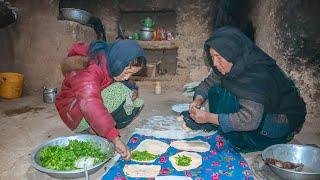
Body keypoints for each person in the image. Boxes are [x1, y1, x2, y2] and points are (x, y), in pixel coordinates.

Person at [186, 26, 306, 152]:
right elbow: (207, 84)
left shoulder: (256, 74)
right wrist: (198, 100)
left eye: (219, 57)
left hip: (275, 122)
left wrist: (209, 118)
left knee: (228, 100)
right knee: (217, 90)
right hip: (257, 115)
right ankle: (226, 125)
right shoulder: (229, 64)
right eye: (212, 56)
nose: (215, 63)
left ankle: (245, 138)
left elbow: (251, 119)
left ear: (232, 52)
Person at [55, 40, 146, 160]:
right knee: (120, 91)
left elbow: (123, 83)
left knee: (131, 96)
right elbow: (89, 103)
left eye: (131, 74)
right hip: (74, 112)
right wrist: (114, 138)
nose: (127, 77)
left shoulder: (109, 60)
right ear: (119, 63)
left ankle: (99, 126)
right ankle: (92, 126)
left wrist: (132, 89)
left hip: (83, 106)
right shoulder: (89, 68)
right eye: (127, 72)